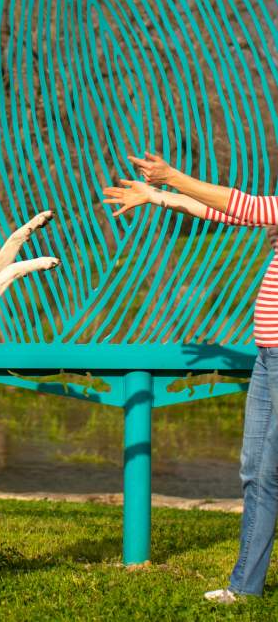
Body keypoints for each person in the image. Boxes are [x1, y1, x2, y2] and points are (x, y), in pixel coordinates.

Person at [103, 152, 278, 604]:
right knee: (255, 471)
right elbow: (222, 210)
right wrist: (159, 196)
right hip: (268, 358)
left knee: (268, 472)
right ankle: (245, 588)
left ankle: (245, 587)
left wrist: (173, 176)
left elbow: (247, 207)